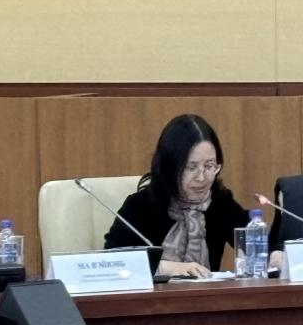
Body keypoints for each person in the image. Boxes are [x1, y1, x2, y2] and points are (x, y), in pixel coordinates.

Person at [104, 114, 249, 278]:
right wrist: (165, 268)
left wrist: (271, 255)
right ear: (170, 166)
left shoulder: (219, 202)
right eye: (191, 167)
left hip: (206, 293)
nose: (201, 177)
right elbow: (112, 263)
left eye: (209, 166)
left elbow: (257, 245)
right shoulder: (141, 206)